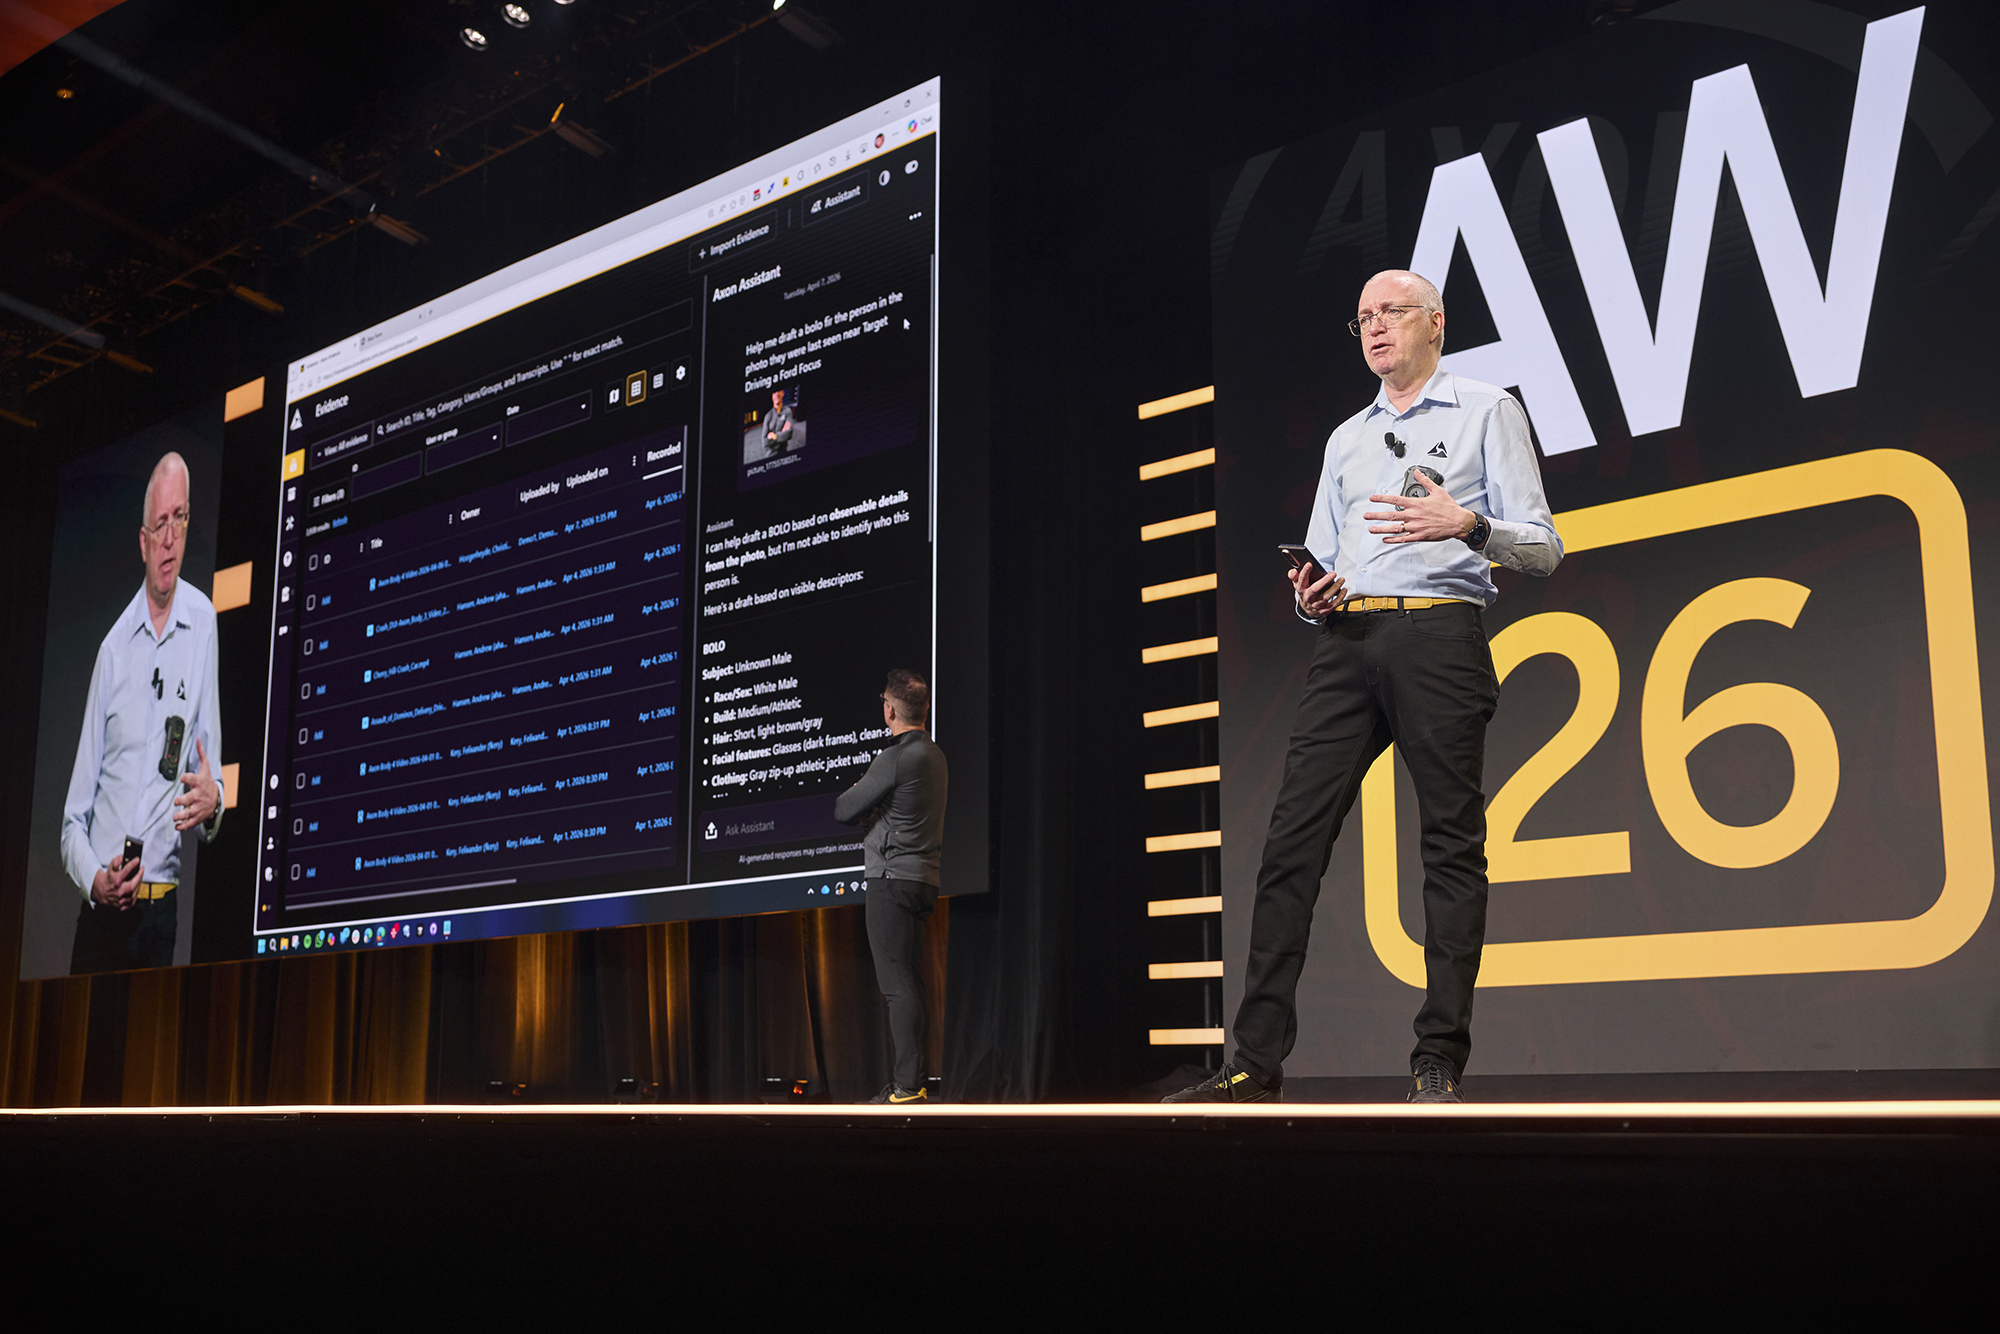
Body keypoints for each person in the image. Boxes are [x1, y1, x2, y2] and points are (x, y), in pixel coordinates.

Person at [1167, 270, 1562, 1106]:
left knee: (1450, 848)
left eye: (1391, 313)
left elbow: (1544, 548)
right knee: (1290, 845)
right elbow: (1325, 557)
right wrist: (1313, 594)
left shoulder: (1487, 410)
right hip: (1347, 644)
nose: (1375, 327)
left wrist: (1469, 525)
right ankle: (1252, 1064)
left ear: (1435, 323)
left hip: (1439, 636)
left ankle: (1437, 1062)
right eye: (1363, 319)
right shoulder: (1347, 438)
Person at [61, 451, 224, 973]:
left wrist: (213, 801)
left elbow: (210, 785)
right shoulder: (113, 651)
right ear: (143, 540)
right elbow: (71, 824)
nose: (170, 538)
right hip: (102, 918)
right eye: (160, 524)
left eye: (180, 519)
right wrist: (97, 881)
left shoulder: (203, 624)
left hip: (159, 917)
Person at [834, 669, 947, 1105]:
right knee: (911, 984)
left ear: (890, 711)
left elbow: (844, 808)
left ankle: (906, 1088)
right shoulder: (935, 755)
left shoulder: (895, 757)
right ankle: (913, 1081)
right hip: (922, 881)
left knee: (897, 987)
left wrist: (867, 798)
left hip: (890, 880)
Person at [763, 388, 795, 454]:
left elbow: (789, 434)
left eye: (779, 391)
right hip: (770, 455)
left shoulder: (787, 411)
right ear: (772, 395)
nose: (777, 394)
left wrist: (774, 436)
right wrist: (781, 435)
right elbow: (764, 442)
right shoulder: (768, 416)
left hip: (784, 453)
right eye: (774, 392)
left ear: (783, 393)